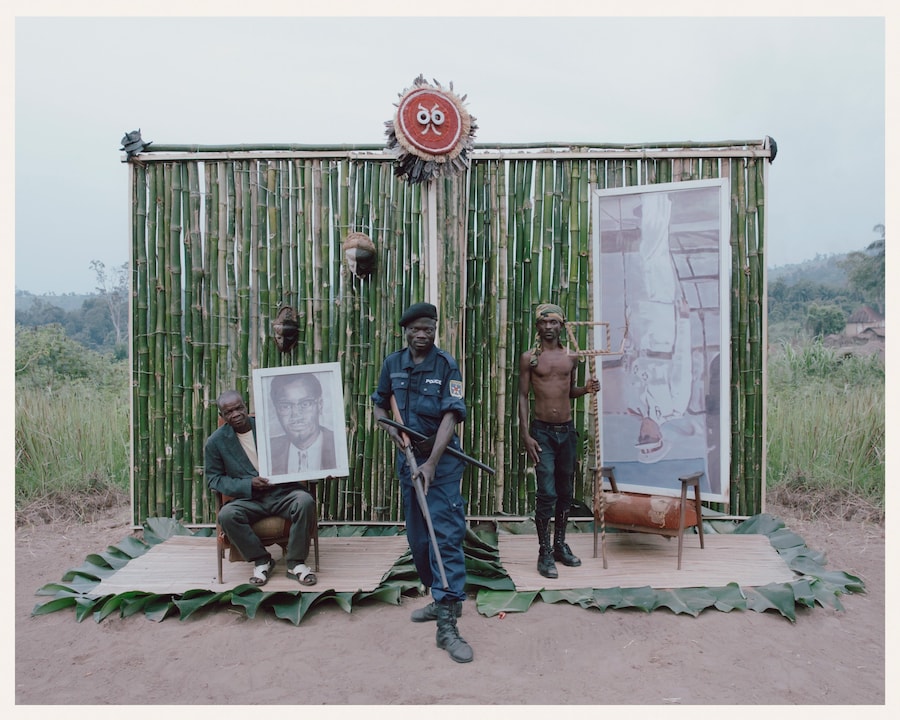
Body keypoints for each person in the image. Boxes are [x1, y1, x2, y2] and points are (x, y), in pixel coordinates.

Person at [371, 302, 473, 664]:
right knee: (417, 540)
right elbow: (379, 404)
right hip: (408, 462)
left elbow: (451, 417)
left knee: (443, 537)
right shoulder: (392, 364)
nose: (422, 334)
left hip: (440, 465)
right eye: (416, 329)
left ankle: (448, 624)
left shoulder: (446, 366)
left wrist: (431, 462)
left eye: (428, 328)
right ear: (406, 330)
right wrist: (390, 429)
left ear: (434, 330)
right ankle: (439, 596)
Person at [518, 303, 600, 579]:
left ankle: (559, 545)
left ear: (562, 326)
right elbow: (522, 396)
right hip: (542, 433)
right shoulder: (529, 358)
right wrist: (526, 434)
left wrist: (587, 389)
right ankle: (544, 552)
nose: (549, 327)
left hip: (567, 432)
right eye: (544, 323)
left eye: (554, 323)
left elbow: (570, 391)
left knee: (565, 492)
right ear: (537, 326)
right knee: (547, 493)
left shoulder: (572, 356)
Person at [205, 389, 318, 587]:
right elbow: (214, 479)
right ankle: (261, 560)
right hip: (249, 499)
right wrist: (247, 484)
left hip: (282, 493)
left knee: (305, 501)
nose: (236, 414)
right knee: (227, 515)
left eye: (239, 408)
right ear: (221, 416)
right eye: (229, 412)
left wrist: (324, 468)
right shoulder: (215, 443)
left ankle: (295, 563)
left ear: (246, 406)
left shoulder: (272, 429)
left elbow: (303, 451)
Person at [269, 373, 337, 474]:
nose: (296, 415)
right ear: (277, 410)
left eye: (305, 404)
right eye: (285, 406)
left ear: (320, 405)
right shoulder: (269, 450)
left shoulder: (338, 445)